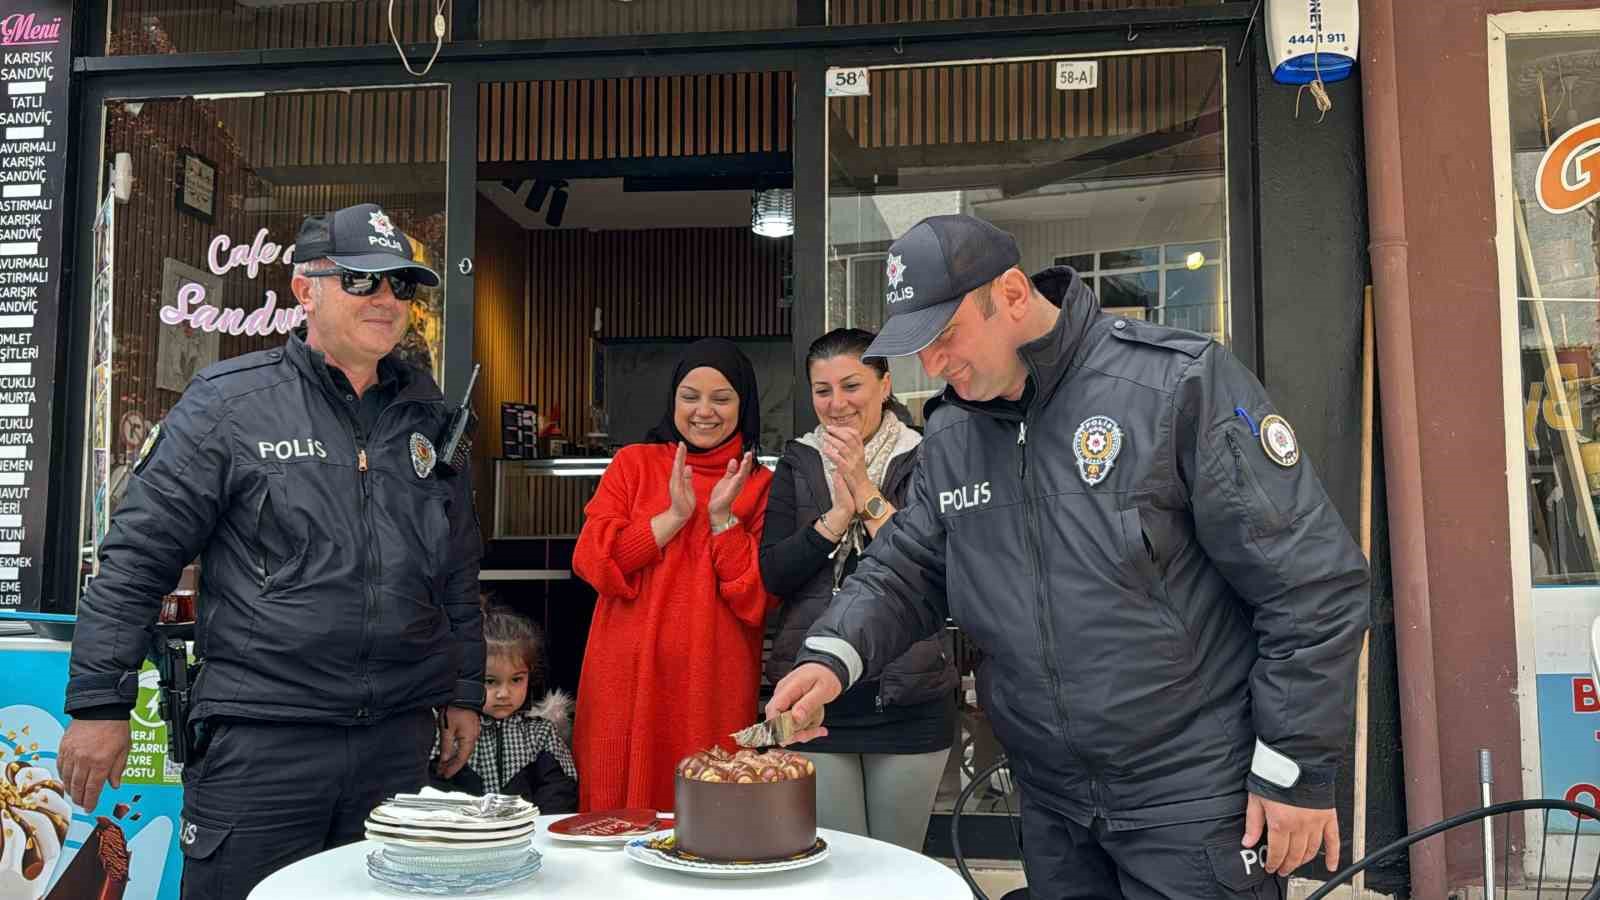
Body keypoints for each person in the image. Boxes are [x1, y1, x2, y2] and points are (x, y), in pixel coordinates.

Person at [767, 215, 1370, 899]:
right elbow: (908, 567)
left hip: (1193, 800)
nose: (932, 365)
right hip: (1052, 807)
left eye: (945, 336)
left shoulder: (1173, 386)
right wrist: (829, 657)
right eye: (918, 347)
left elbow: (1310, 585)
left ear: (1014, 294)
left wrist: (1293, 768)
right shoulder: (955, 430)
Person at [58, 203, 486, 900]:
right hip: (264, 744)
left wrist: (463, 693)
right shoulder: (230, 403)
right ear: (304, 289)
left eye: (400, 286)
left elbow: (456, 571)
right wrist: (100, 704)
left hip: (397, 746)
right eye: (361, 281)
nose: (385, 300)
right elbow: (136, 559)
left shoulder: (430, 418)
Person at [758, 328, 956, 852]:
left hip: (910, 694)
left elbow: (928, 566)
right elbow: (775, 575)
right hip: (815, 701)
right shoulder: (799, 461)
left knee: (897, 864)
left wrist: (863, 489)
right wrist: (835, 518)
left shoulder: (927, 454)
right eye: (823, 390)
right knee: (838, 865)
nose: (836, 403)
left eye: (851, 386)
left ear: (884, 383)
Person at [571, 338, 776, 812]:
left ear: (743, 405)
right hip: (624, 678)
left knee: (711, 825)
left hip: (712, 685)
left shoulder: (762, 485)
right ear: (673, 400)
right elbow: (592, 560)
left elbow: (756, 599)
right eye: (691, 396)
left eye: (722, 398)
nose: (704, 411)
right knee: (612, 827)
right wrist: (671, 520)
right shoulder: (633, 464)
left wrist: (723, 520)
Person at [431, 601, 578, 812]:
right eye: (490, 681)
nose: (504, 693)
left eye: (516, 680)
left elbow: (559, 790)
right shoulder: (447, 732)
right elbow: (432, 789)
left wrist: (536, 825)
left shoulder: (540, 734)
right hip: (464, 838)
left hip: (526, 836)